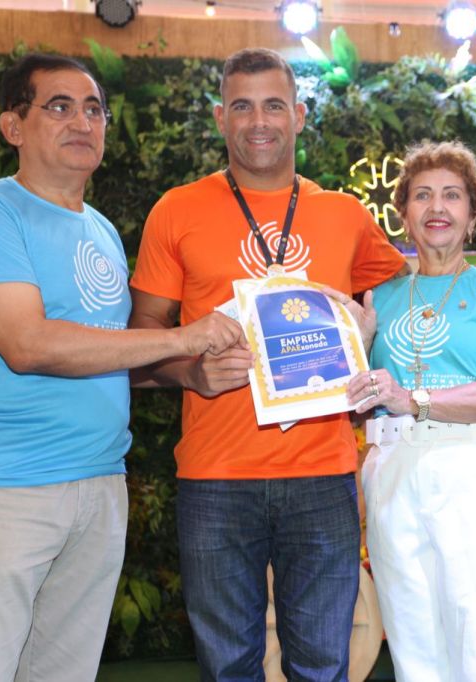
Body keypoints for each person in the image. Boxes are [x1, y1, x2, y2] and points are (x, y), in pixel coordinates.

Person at [0, 54, 243, 682]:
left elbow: (107, 353)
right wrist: (184, 336)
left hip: (98, 487)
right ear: (14, 126)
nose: (82, 122)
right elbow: (28, 344)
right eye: (59, 106)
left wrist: (187, 373)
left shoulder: (100, 230)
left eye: (94, 109)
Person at [128, 48, 406, 680]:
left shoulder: (345, 215)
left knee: (324, 664)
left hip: (323, 471)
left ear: (299, 116)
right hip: (216, 475)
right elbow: (143, 336)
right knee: (227, 665)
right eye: (242, 106)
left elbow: (400, 303)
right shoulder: (176, 210)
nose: (259, 122)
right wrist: (190, 372)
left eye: (274, 105)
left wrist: (368, 335)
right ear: (220, 117)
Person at [334, 140, 476, 680]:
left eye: (452, 195)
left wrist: (412, 400)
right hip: (392, 471)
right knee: (414, 652)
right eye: (422, 196)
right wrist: (358, 347)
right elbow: (353, 403)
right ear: (403, 214)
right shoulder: (379, 298)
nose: (437, 207)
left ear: (473, 214)